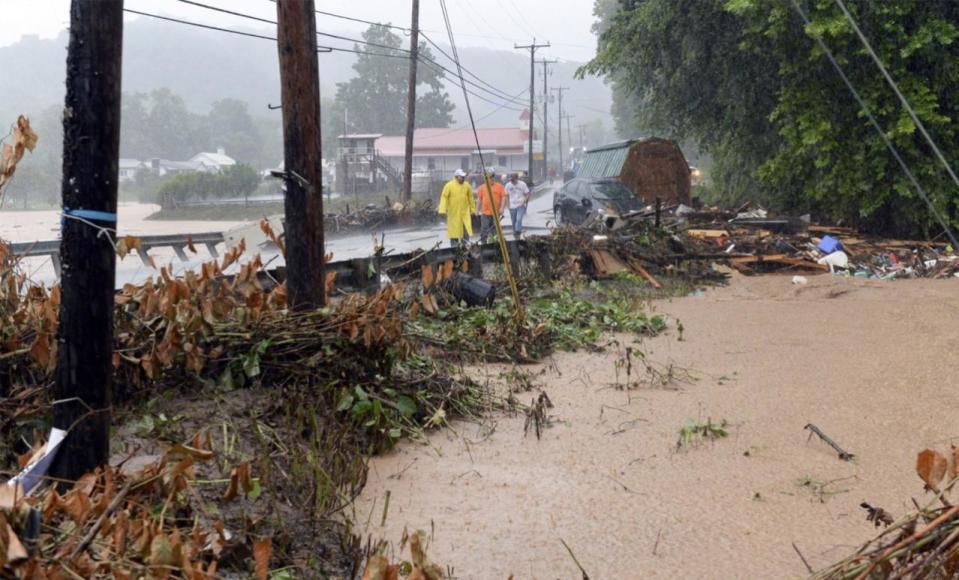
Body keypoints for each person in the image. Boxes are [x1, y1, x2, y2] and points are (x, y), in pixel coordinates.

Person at [438, 168, 475, 247]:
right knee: (454, 233)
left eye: (464, 177)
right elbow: (444, 197)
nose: (463, 178)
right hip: (453, 214)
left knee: (465, 232)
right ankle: (454, 250)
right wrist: (442, 210)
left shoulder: (467, 185)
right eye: (461, 177)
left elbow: (471, 198)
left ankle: (465, 248)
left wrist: (472, 210)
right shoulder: (449, 185)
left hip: (465, 214)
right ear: (456, 177)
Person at [475, 170, 506, 243]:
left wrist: (502, 208)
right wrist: (477, 210)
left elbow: (503, 197)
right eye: (489, 178)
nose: (491, 179)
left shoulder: (499, 186)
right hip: (485, 213)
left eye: (492, 177)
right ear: (486, 179)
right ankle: (484, 244)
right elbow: (479, 199)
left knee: (495, 231)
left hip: (495, 214)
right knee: (484, 230)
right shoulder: (482, 188)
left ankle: (495, 243)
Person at [505, 172, 531, 238]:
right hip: (512, 205)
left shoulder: (522, 184)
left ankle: (518, 232)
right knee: (513, 221)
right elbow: (506, 195)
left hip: (521, 205)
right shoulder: (508, 185)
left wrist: (524, 202)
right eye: (511, 180)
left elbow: (527, 194)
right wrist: (508, 205)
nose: (512, 181)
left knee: (519, 219)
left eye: (513, 180)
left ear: (517, 178)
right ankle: (515, 232)